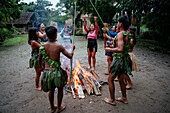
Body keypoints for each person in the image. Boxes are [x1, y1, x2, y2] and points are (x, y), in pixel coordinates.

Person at [39, 26, 75, 113]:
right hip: (57, 72)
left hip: (47, 72)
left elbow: (39, 59)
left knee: (51, 90)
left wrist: (41, 67)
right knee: (60, 89)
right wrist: (72, 49)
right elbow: (70, 56)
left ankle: (52, 108)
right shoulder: (59, 46)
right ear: (55, 36)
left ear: (47, 35)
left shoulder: (42, 46)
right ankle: (59, 107)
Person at [103, 16, 132, 105]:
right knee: (120, 79)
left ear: (121, 24)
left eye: (118, 23)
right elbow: (122, 46)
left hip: (119, 60)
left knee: (110, 79)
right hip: (124, 59)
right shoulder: (126, 33)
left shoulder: (120, 34)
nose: (117, 24)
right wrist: (112, 45)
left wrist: (109, 49)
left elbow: (120, 49)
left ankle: (112, 100)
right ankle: (124, 98)